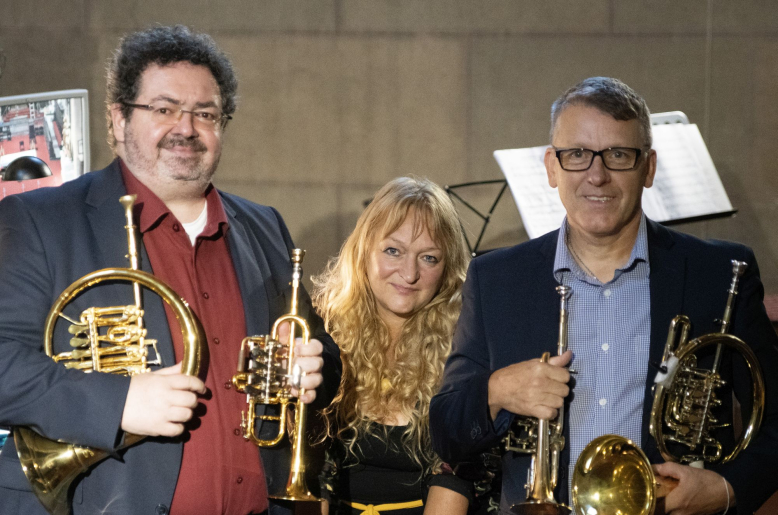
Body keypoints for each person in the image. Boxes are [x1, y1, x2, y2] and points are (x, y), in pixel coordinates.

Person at [0, 25, 341, 515]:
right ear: (118, 118)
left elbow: (322, 353)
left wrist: (314, 367)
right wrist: (117, 402)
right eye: (164, 109)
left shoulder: (265, 226)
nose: (186, 128)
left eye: (205, 113)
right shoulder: (41, 220)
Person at [429, 77, 778, 515]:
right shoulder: (495, 278)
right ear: (551, 167)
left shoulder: (720, 273)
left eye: (618, 155)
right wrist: (496, 390)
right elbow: (446, 431)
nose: (597, 175)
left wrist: (727, 490)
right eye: (577, 154)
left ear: (648, 168)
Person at [311, 177, 479, 515]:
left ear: (447, 268)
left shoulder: (465, 351)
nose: (410, 273)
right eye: (393, 251)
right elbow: (309, 471)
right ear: (364, 251)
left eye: (429, 258)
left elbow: (459, 476)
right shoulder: (324, 335)